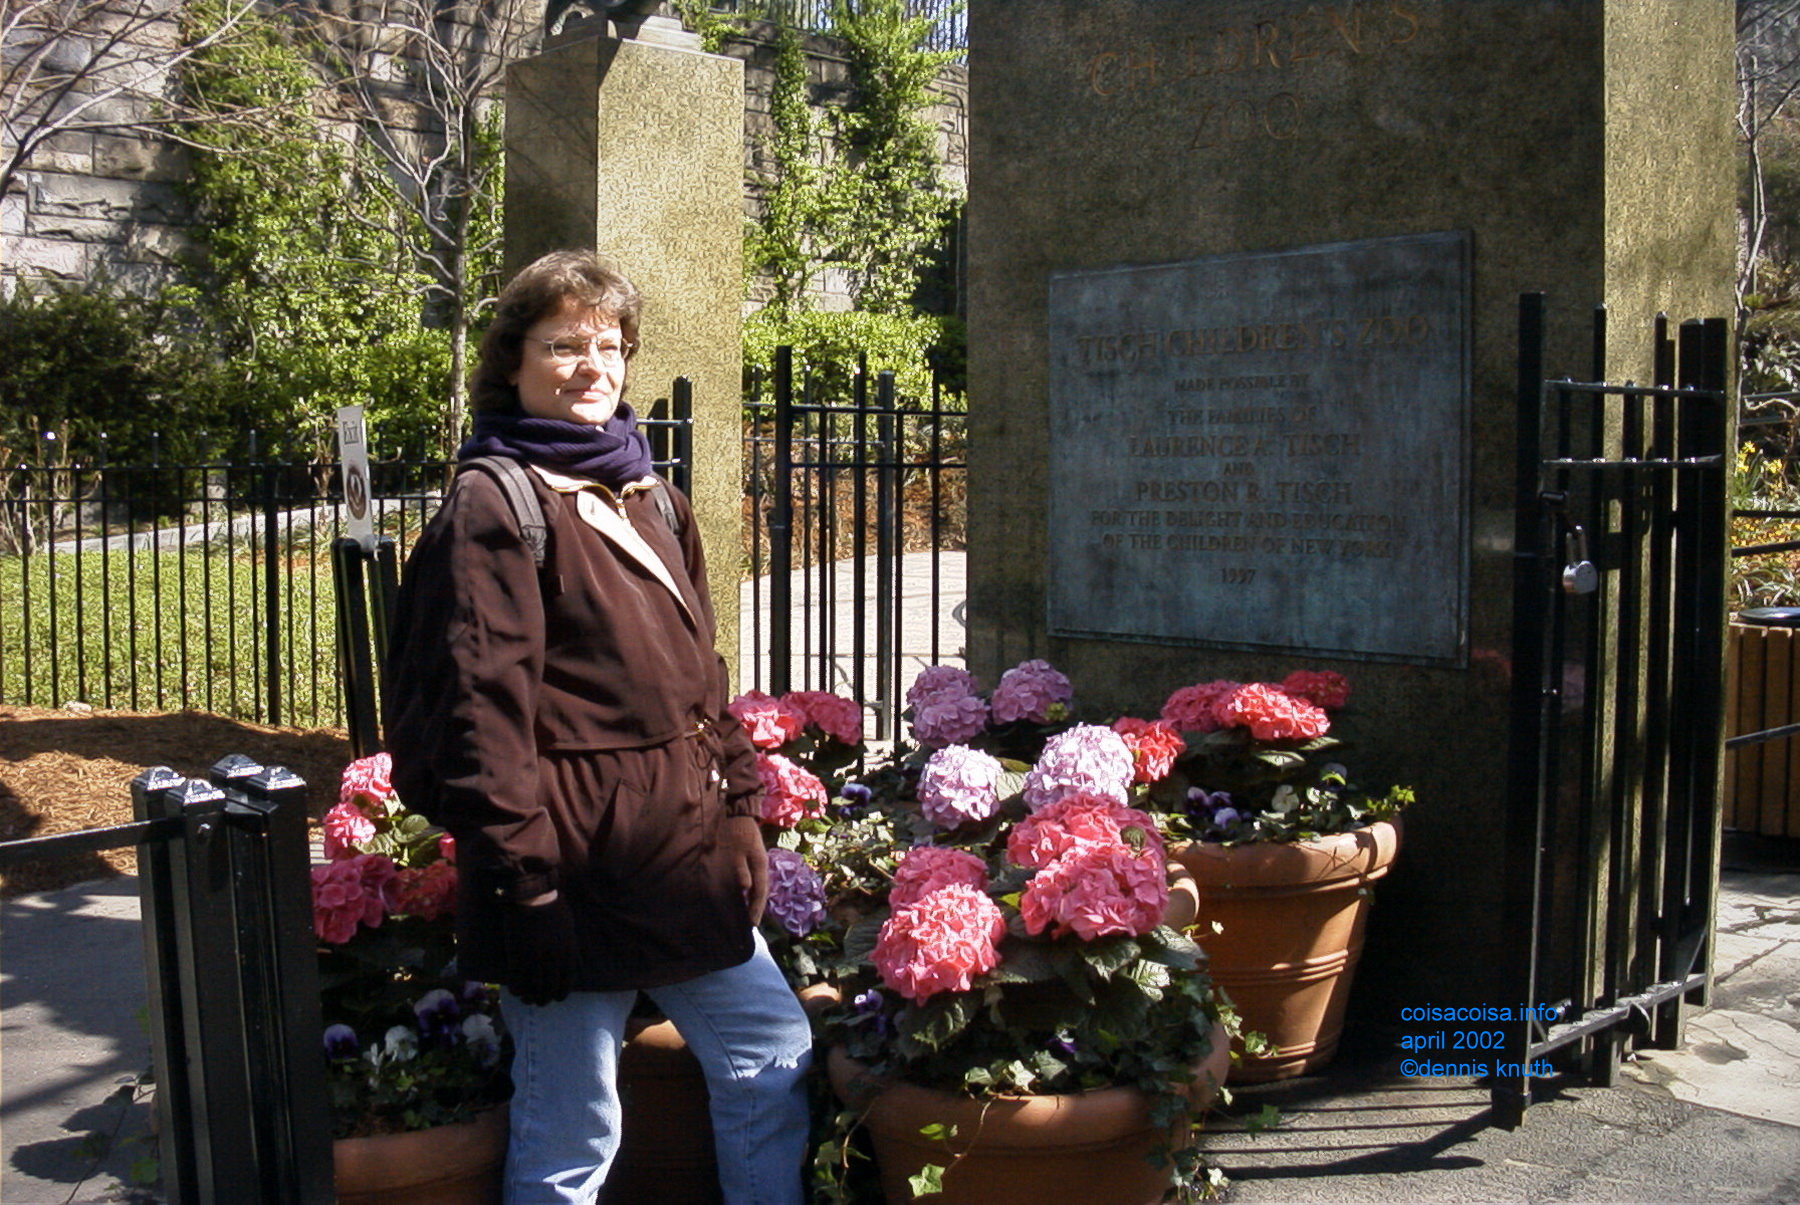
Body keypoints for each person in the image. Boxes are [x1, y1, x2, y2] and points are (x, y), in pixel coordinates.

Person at [382, 250, 812, 1205]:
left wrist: (741, 810)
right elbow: (479, 718)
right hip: (567, 865)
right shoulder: (495, 505)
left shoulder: (649, 493)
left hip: (680, 855)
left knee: (768, 1052)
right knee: (573, 1124)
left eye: (609, 346)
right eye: (564, 344)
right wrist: (526, 891)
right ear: (514, 362)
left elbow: (704, 681)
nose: (593, 366)